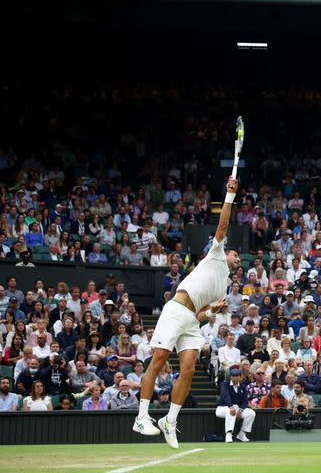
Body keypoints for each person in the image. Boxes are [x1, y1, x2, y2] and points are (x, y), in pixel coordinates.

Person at [134, 175, 241, 448]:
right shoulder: (216, 253)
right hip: (175, 310)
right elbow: (224, 223)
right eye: (235, 254)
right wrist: (229, 195)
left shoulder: (222, 288)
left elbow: (200, 317)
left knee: (189, 370)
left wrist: (212, 311)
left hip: (190, 321)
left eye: (238, 258)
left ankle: (170, 420)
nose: (236, 257)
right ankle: (142, 416)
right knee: (158, 359)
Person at [216, 368, 255, 442]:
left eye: (238, 376)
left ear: (241, 377)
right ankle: (228, 434)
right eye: (234, 376)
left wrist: (241, 410)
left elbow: (245, 401)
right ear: (231, 377)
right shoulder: (224, 385)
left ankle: (242, 434)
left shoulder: (243, 387)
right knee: (230, 411)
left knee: (251, 413)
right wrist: (231, 406)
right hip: (222, 408)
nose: (236, 377)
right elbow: (225, 396)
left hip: (237, 408)